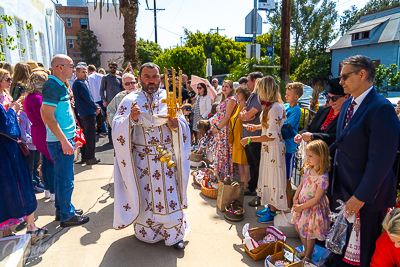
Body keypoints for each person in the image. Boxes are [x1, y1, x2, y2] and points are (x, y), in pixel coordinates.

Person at [329, 55, 400, 267]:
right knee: (343, 247)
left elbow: (381, 161)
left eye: (344, 76)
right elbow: (341, 142)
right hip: (344, 189)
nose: (340, 81)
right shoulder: (350, 103)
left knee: (363, 251)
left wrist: (360, 196)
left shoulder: (381, 108)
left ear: (362, 75)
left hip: (367, 198)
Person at [112, 62, 190, 250]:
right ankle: (148, 231)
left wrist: (175, 126)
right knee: (147, 195)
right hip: (142, 161)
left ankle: (174, 234)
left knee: (169, 193)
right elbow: (116, 128)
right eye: (147, 76)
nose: (151, 80)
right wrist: (131, 119)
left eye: (155, 76)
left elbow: (183, 125)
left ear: (160, 78)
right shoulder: (130, 100)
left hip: (166, 159)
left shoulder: (169, 98)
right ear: (140, 78)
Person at [42, 54, 88, 227]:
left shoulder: (58, 85)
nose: (74, 69)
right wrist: (63, 140)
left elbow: (45, 112)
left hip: (62, 138)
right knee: (66, 179)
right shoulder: (52, 85)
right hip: (60, 141)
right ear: (59, 67)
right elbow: (48, 116)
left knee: (61, 178)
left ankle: (62, 210)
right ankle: (67, 215)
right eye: (71, 65)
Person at [0, 94, 48, 243]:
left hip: (5, 153)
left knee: (4, 191)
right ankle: (32, 229)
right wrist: (13, 110)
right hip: (7, 153)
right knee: (23, 186)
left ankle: (6, 232)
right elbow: (7, 127)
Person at [240, 76, 287, 223]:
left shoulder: (274, 108)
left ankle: (272, 211)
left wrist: (249, 139)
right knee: (268, 178)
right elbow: (271, 126)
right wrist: (257, 127)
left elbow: (271, 135)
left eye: (259, 91)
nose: (258, 94)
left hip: (272, 148)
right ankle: (270, 207)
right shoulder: (273, 106)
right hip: (269, 149)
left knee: (273, 180)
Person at [291, 139, 331, 261]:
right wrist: (295, 197)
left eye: (310, 156)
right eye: (307, 155)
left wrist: (301, 207)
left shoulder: (323, 177)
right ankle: (306, 249)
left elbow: (317, 199)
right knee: (299, 228)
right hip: (302, 205)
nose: (307, 158)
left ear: (321, 157)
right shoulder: (308, 169)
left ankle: (308, 255)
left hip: (312, 209)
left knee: (309, 234)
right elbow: (301, 184)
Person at [24, 71, 56, 201]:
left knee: (47, 161)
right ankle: (53, 191)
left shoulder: (30, 96)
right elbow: (44, 117)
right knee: (52, 161)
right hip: (43, 131)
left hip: (38, 131)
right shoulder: (37, 98)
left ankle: (48, 190)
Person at [294, 78, 348, 147]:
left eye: (334, 98)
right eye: (328, 98)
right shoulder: (323, 110)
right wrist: (301, 135)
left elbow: (338, 137)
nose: (330, 101)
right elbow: (309, 127)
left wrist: (313, 136)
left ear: (346, 97)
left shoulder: (347, 115)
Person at [238, 71, 264, 206]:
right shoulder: (252, 95)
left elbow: (246, 115)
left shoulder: (260, 96)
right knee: (251, 163)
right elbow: (243, 112)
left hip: (256, 137)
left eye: (248, 80)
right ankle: (252, 188)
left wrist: (245, 115)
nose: (247, 83)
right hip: (247, 136)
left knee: (257, 164)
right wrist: (245, 114)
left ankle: (258, 192)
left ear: (254, 81)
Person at [72, 65, 101, 165]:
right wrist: (96, 107)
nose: (85, 74)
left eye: (86, 72)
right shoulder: (80, 83)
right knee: (90, 136)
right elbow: (88, 98)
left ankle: (84, 157)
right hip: (87, 113)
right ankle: (90, 158)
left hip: (82, 113)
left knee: (84, 136)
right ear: (77, 73)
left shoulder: (78, 83)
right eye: (83, 72)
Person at [210, 80, 238, 180]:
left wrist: (217, 128)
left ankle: (224, 175)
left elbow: (227, 117)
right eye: (223, 86)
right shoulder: (223, 99)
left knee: (223, 152)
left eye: (227, 86)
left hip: (223, 130)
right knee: (219, 151)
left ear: (231, 89)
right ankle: (219, 174)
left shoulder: (231, 99)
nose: (224, 88)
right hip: (219, 131)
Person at [18, 95, 44, 194]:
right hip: (29, 146)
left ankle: (37, 182)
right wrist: (32, 139)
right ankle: (32, 185)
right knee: (31, 167)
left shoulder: (31, 115)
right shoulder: (22, 117)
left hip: (36, 145)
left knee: (37, 165)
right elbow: (23, 134)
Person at [283, 82, 303, 208]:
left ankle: (287, 205)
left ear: (296, 97)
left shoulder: (296, 110)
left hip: (289, 147)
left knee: (286, 179)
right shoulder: (285, 106)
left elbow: (286, 125)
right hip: (281, 144)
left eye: (289, 94)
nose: (286, 96)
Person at [231, 86, 251, 186]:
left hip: (243, 136)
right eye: (236, 93)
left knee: (245, 162)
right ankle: (243, 181)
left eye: (239, 93)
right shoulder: (237, 106)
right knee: (239, 161)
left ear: (244, 94)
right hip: (236, 137)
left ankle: (246, 182)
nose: (237, 95)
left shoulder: (246, 107)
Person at [100, 62, 123, 143]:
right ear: (109, 68)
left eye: (114, 67)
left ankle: (118, 137)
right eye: (111, 67)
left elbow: (123, 91)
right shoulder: (105, 78)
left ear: (116, 68)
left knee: (119, 120)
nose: (112, 69)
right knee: (110, 120)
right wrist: (104, 100)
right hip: (109, 103)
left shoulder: (120, 79)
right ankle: (110, 138)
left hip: (119, 103)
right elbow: (101, 90)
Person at [87, 64, 107, 134]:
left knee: (99, 115)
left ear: (88, 71)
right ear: (95, 70)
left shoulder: (88, 78)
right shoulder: (102, 76)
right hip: (103, 97)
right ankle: (105, 129)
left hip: (94, 98)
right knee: (104, 114)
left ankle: (102, 129)